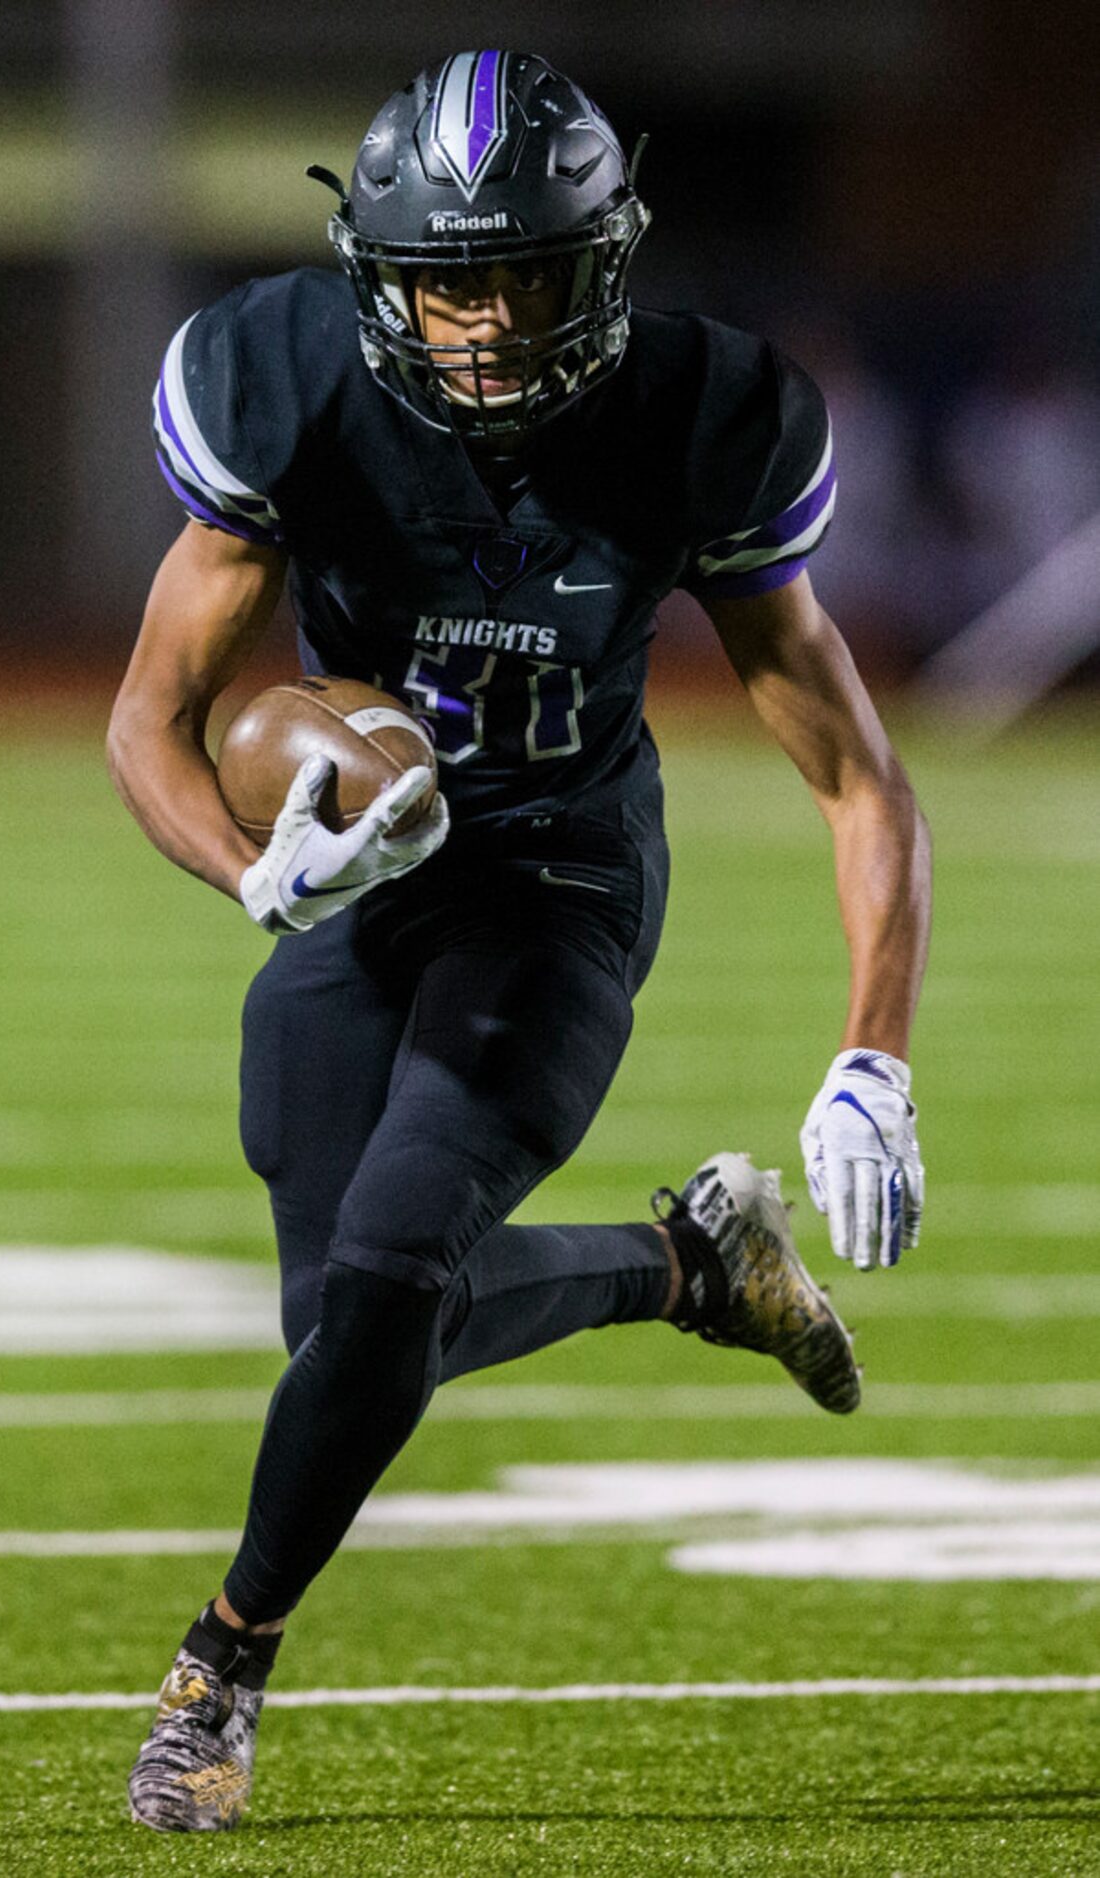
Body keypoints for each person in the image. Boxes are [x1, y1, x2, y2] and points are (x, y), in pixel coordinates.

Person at [108, 50, 930, 1834]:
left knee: (398, 1272)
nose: (482, 324)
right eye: (446, 281)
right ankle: (690, 1264)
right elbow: (151, 728)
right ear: (379, 280)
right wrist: (250, 877)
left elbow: (860, 780)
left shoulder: (699, 413)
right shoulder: (294, 384)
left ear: (606, 261)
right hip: (370, 885)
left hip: (557, 885)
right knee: (350, 1329)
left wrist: (875, 1049)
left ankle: (217, 1668)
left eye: (525, 277)